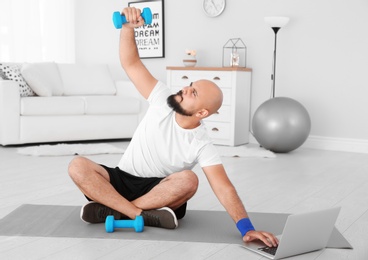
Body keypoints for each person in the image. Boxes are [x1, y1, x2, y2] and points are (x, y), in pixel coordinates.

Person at [68, 7, 278, 247]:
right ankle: (134, 212)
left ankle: (114, 208)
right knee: (77, 166)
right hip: (120, 178)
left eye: (193, 92)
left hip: (158, 190)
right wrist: (127, 29)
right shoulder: (162, 99)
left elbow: (223, 187)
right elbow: (131, 63)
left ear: (201, 113)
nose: (185, 88)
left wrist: (247, 228)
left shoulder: (201, 143)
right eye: (190, 84)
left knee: (189, 180)